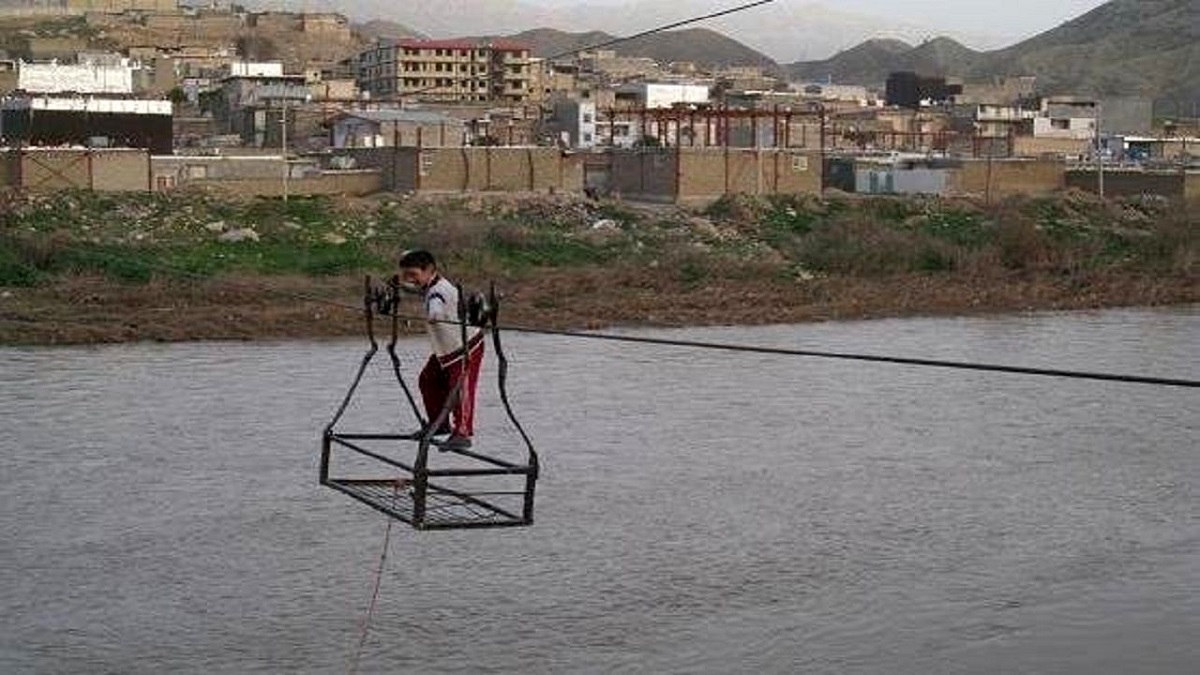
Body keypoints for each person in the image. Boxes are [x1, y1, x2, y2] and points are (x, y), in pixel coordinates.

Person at [398, 250, 483, 450]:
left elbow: (436, 304)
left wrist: (435, 315)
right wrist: (402, 285)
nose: (411, 279)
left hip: (465, 347)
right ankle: (440, 424)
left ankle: (462, 432)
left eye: (413, 275)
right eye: (407, 275)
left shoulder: (439, 292)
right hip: (446, 350)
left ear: (429, 270)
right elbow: (422, 291)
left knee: (460, 389)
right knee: (428, 380)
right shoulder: (432, 285)